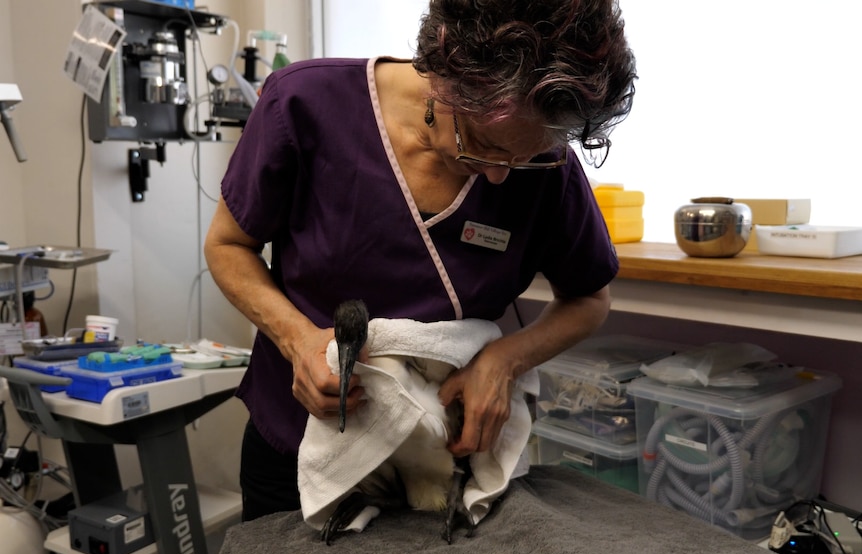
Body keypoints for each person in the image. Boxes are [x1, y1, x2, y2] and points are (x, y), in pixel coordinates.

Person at [204, 0, 637, 522]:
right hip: (304, 439)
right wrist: (296, 340)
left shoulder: (542, 162)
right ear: (444, 66)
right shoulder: (304, 104)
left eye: (524, 157)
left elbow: (589, 297)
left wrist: (504, 362)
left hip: (442, 462)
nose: (500, 177)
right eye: (481, 145)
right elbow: (228, 246)